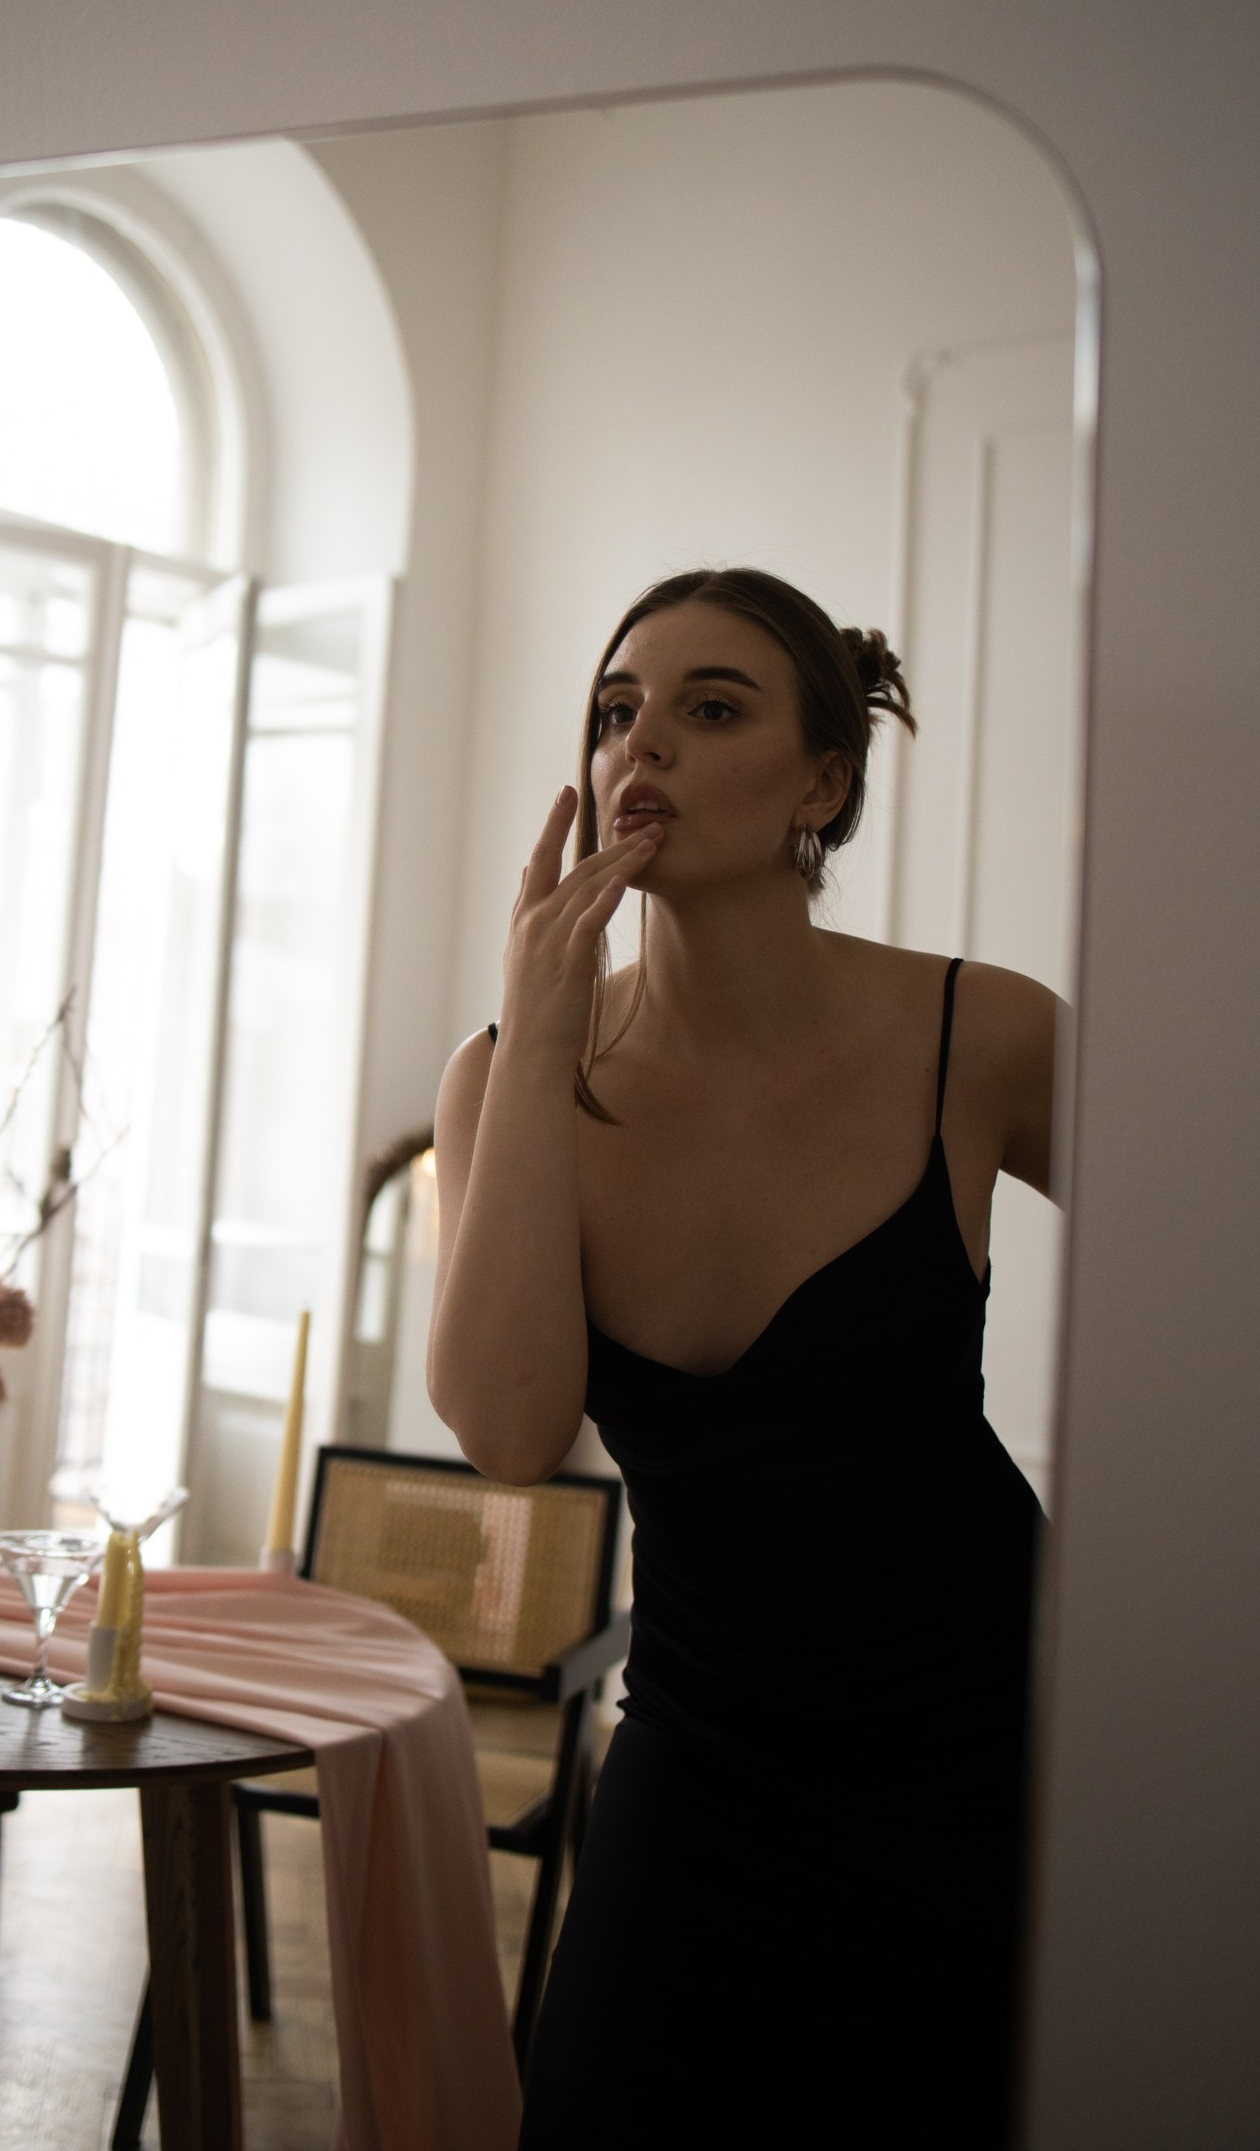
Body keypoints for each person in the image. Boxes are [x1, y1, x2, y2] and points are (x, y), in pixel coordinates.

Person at [429, 568, 1057, 2148]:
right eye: (616, 712)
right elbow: (508, 1429)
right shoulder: (502, 1076)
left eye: (711, 710)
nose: (641, 746)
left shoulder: (977, 1034)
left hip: (993, 1749)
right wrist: (539, 1039)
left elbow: (1209, 1260)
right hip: (700, 1749)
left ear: (821, 788)